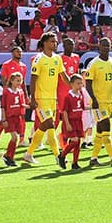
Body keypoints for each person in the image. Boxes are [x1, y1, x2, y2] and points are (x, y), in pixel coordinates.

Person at [26, 33, 72, 164]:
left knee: (45, 126)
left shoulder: (57, 58)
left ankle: (29, 154)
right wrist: (33, 98)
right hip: (41, 98)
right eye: (52, 41)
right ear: (45, 42)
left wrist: (74, 87)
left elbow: (64, 77)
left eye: (56, 42)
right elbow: (33, 80)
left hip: (53, 98)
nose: (55, 44)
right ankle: (58, 156)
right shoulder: (39, 59)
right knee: (50, 125)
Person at [85, 37, 112, 166]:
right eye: (104, 45)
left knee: (100, 130)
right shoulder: (94, 63)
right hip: (98, 102)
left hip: (109, 101)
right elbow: (88, 83)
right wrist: (93, 99)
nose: (106, 47)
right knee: (106, 126)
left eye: (108, 45)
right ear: (99, 47)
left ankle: (93, 158)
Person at [56, 73, 91, 170]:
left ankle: (75, 163)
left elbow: (82, 107)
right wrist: (67, 123)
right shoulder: (68, 96)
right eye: (78, 83)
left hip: (78, 121)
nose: (80, 85)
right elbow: (65, 111)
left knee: (78, 142)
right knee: (74, 140)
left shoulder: (80, 95)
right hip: (70, 121)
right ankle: (62, 155)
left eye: (81, 83)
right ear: (72, 84)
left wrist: (93, 107)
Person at [0, 72, 29, 168]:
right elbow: (3, 106)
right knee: (14, 137)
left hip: (18, 117)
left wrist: (30, 106)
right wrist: (4, 119)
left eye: (20, 81)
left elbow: (22, 104)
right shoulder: (6, 92)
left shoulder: (20, 91)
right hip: (10, 117)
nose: (19, 83)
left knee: (15, 139)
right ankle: (9, 157)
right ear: (11, 81)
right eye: (17, 80)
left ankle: (9, 157)